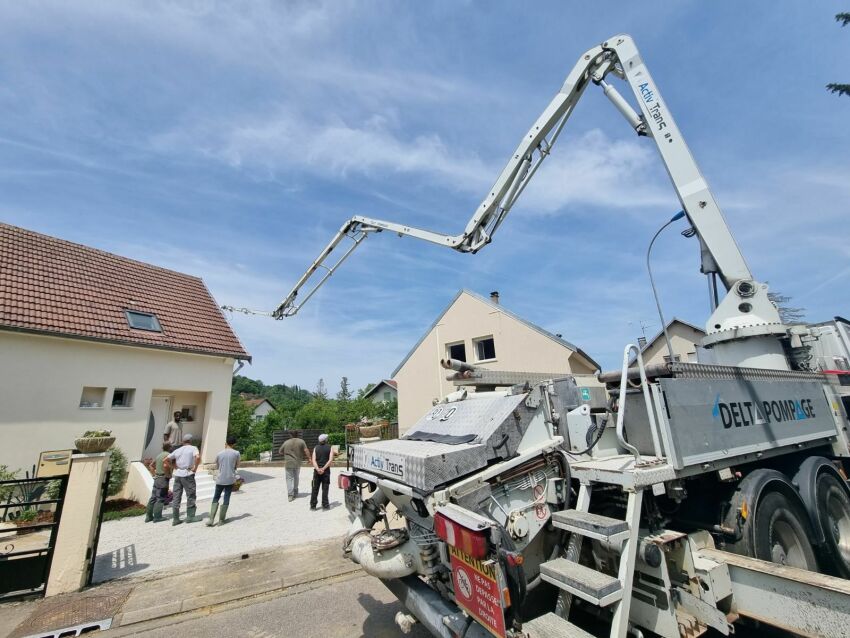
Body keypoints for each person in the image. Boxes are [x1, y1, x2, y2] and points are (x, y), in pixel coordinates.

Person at [207, 435, 240, 526]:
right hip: (230, 478)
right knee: (226, 497)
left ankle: (211, 519)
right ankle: (221, 520)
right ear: (234, 444)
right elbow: (237, 465)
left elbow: (217, 465)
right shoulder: (236, 453)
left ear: (226, 443)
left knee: (216, 497)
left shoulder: (219, 453)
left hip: (220, 478)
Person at [168, 433, 201, 525]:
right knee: (191, 495)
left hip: (178, 474)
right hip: (187, 474)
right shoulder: (193, 448)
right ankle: (190, 517)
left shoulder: (178, 450)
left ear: (183, 441)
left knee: (177, 496)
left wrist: (174, 467)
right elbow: (198, 457)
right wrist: (195, 468)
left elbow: (166, 460)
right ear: (190, 441)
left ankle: (175, 519)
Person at [279, 430, 310, 501]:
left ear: (290, 435)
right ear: (297, 434)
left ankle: (290, 495)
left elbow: (280, 451)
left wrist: (286, 454)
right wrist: (310, 458)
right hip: (297, 462)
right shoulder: (301, 441)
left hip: (288, 462)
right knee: (296, 477)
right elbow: (306, 450)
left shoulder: (286, 442)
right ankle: (295, 491)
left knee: (289, 478)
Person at [144, 442, 171, 523]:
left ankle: (148, 516)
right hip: (163, 478)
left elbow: (151, 465)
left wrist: (154, 474)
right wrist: (167, 475)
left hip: (157, 478)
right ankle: (157, 517)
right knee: (161, 498)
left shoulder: (159, 455)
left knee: (153, 498)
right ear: (169, 447)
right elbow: (166, 466)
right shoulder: (168, 455)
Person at [310, 433, 335, 511]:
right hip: (326, 471)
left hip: (316, 471)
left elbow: (313, 459)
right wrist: (323, 468)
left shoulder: (315, 448)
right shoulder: (330, 448)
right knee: (325, 488)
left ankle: (313, 506)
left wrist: (318, 469)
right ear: (325, 440)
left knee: (315, 488)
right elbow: (330, 460)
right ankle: (325, 505)